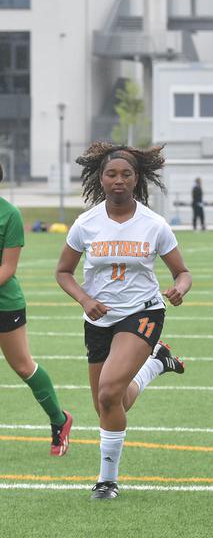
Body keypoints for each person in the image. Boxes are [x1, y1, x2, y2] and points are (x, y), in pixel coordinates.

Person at [54, 143, 191, 500]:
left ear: (137, 178)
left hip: (142, 312)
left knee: (109, 392)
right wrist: (85, 298)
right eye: (111, 174)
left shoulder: (153, 224)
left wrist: (179, 288)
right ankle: (157, 364)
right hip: (98, 318)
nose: (118, 180)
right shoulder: (86, 224)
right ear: (100, 179)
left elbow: (183, 272)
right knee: (108, 404)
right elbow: (63, 272)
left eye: (126, 174)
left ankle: (106, 481)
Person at [0, 162, 73, 456]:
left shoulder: (10, 215)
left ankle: (59, 419)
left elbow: (8, 267)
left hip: (5, 304)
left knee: (22, 366)